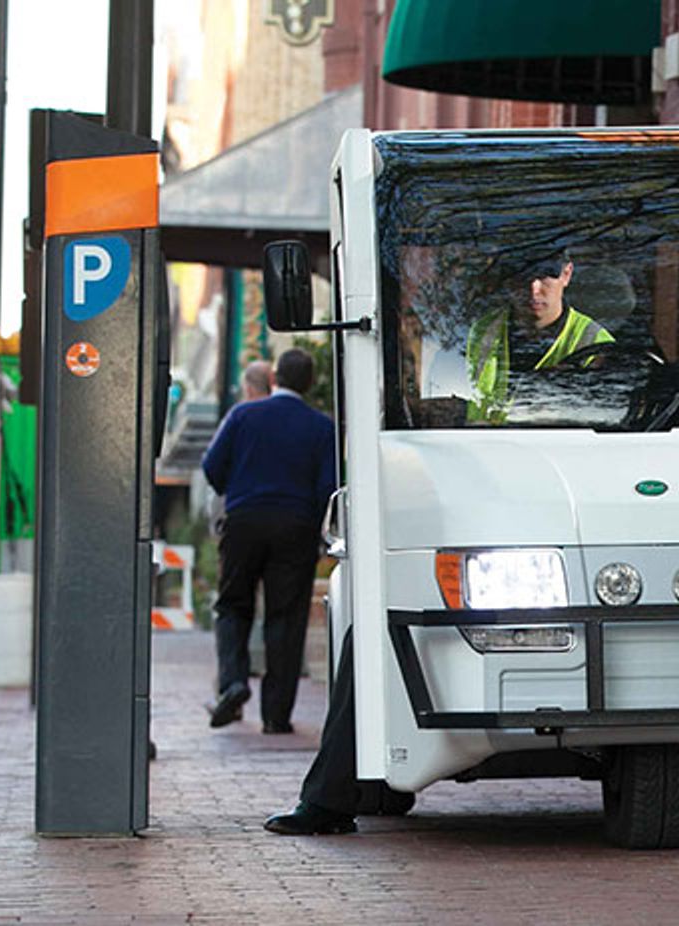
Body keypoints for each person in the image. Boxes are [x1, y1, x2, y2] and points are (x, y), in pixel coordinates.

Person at [263, 252, 611, 835]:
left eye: (547, 274)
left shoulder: (594, 343)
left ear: (569, 274)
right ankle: (349, 788)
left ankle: (341, 792)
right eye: (526, 274)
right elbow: (453, 407)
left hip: (558, 518)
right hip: (476, 507)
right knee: (376, 626)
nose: (536, 287)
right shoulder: (483, 335)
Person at [202, 349, 335, 734]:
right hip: (295, 527)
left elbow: (212, 467)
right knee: (286, 618)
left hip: (244, 522)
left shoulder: (243, 415)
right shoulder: (321, 427)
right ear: (309, 384)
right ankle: (277, 716)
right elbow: (327, 487)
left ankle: (233, 682)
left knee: (233, 605)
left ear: (274, 379)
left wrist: (241, 489)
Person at [465, 250, 613, 423]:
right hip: (477, 443)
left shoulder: (598, 344)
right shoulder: (481, 330)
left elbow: (606, 425)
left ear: (566, 274)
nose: (533, 289)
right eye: (522, 275)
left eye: (544, 275)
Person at [207, 360, 272, 538]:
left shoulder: (239, 416)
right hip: (287, 518)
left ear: (249, 389)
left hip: (242, 513)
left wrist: (228, 491)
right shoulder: (290, 417)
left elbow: (212, 465)